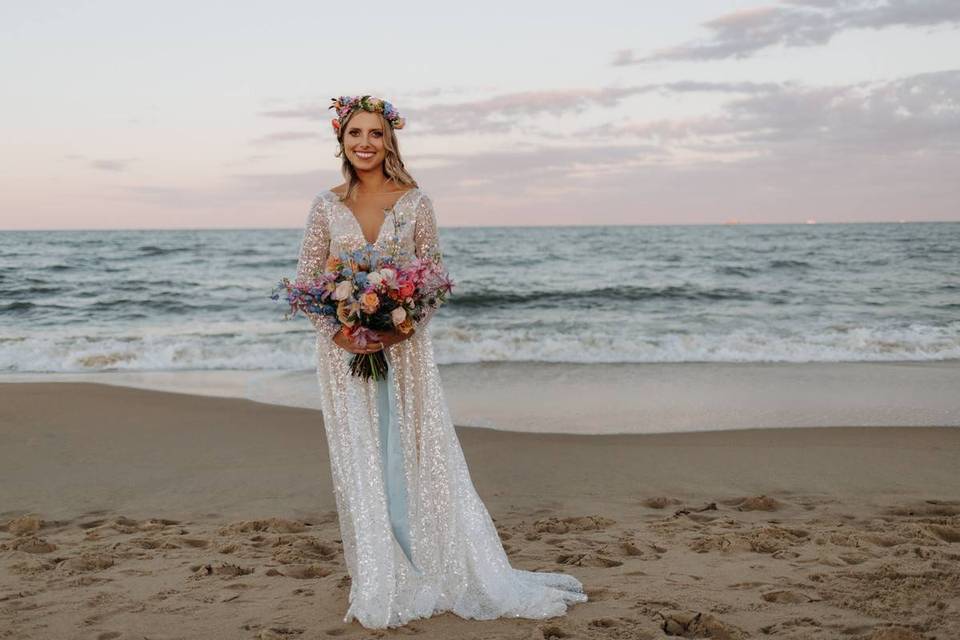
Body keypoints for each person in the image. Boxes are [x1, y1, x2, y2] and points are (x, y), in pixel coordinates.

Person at [294, 94, 587, 629]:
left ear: (390, 142)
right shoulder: (325, 204)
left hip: (404, 352)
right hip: (342, 353)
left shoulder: (415, 201)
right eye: (355, 133)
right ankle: (385, 570)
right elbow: (310, 279)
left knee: (411, 450)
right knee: (365, 454)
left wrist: (401, 325)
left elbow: (432, 280)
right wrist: (338, 332)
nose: (365, 143)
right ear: (341, 139)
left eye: (375, 134)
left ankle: (436, 560)